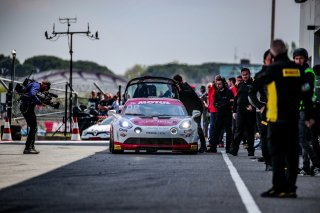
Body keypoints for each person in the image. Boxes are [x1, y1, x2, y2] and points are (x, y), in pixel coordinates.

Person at [251, 39, 314, 198]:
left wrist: (266, 66)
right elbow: (307, 91)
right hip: (293, 118)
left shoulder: (273, 69)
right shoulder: (297, 69)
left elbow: (256, 83)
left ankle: (278, 187)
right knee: (292, 154)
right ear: (286, 51)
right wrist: (309, 114)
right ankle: (291, 188)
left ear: (272, 53)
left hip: (276, 119)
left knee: (277, 154)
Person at [292, 48, 320, 176]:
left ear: (305, 58)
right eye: (296, 58)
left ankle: (316, 164)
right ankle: (306, 167)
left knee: (303, 139)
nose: (298, 61)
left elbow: (306, 90)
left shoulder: (309, 72)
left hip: (307, 110)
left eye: (301, 58)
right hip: (297, 110)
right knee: (302, 140)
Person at [248, 49, 273, 171]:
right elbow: (251, 93)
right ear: (264, 61)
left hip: (279, 110)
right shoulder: (260, 76)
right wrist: (260, 106)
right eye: (269, 59)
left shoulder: (281, 73)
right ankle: (268, 162)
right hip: (265, 111)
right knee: (265, 136)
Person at [173, 74, 207, 153]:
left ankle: (203, 146)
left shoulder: (185, 86)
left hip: (196, 108)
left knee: (197, 126)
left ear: (178, 82)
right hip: (189, 109)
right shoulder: (178, 87)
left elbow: (191, 93)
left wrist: (180, 90)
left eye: (175, 83)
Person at [19, 80, 52, 154]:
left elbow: (33, 95)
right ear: (44, 85)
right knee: (33, 127)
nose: (44, 90)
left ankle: (31, 147)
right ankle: (28, 148)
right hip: (27, 107)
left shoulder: (35, 85)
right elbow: (32, 94)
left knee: (33, 127)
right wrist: (40, 103)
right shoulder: (36, 85)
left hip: (27, 107)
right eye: (46, 88)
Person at [229, 68, 256, 156]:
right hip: (240, 111)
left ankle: (251, 151)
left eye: (246, 74)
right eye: (243, 75)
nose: (245, 76)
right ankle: (234, 150)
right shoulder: (240, 85)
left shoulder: (254, 84)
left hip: (250, 111)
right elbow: (236, 98)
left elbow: (258, 97)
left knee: (250, 132)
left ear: (249, 74)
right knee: (238, 130)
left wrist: (253, 106)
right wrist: (234, 111)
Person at [207, 78, 234, 153]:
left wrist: (224, 105)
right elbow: (214, 102)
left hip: (227, 114)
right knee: (216, 131)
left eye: (220, 84)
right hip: (219, 114)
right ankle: (213, 147)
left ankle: (228, 148)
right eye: (217, 84)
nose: (218, 85)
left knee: (228, 131)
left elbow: (232, 102)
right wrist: (217, 105)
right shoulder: (216, 92)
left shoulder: (229, 92)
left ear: (223, 84)